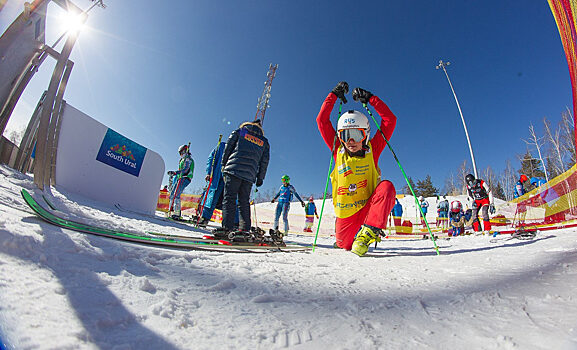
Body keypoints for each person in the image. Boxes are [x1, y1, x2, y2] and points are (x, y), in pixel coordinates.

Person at [316, 81, 397, 256]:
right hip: (346, 214)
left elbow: (390, 120)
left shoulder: (372, 151)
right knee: (344, 246)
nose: (351, 141)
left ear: (365, 135)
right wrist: (333, 95)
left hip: (369, 209)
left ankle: (368, 232)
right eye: (346, 135)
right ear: (340, 137)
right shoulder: (338, 151)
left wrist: (371, 99)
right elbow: (322, 121)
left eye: (356, 134)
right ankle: (348, 238)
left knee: (387, 187)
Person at [215, 119, 270, 238]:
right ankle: (245, 230)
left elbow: (228, 148)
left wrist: (224, 164)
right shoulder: (264, 141)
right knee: (244, 202)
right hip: (249, 176)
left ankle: (227, 228)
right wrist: (260, 178)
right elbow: (264, 162)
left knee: (229, 198)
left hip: (233, 170)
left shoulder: (241, 132)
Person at [197, 141, 227, 226]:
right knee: (212, 197)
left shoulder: (239, 149)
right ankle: (205, 218)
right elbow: (211, 159)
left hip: (230, 179)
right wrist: (209, 172)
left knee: (230, 201)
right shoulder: (222, 146)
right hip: (218, 177)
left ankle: (230, 224)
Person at [167, 144, 194, 220]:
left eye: (181, 152)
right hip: (180, 178)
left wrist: (176, 173)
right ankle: (171, 210)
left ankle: (177, 213)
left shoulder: (188, 159)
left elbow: (186, 170)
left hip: (185, 178)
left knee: (176, 194)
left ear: (185, 151)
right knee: (172, 193)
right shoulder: (182, 159)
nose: (180, 154)